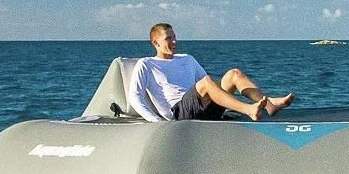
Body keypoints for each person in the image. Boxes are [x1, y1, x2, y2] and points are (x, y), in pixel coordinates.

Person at [126, 22, 294, 123]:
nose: (174, 41)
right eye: (168, 38)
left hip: (201, 109)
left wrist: (227, 92)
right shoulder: (147, 64)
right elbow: (135, 97)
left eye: (174, 37)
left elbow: (211, 87)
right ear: (155, 42)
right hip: (179, 112)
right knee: (206, 82)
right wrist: (156, 121)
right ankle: (249, 110)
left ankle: (270, 105)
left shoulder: (187, 59)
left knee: (234, 74)